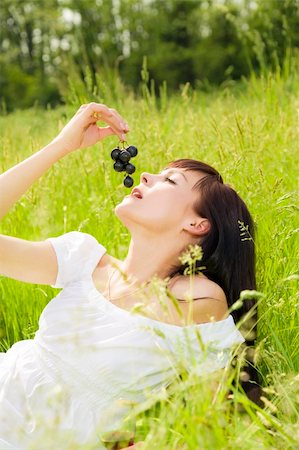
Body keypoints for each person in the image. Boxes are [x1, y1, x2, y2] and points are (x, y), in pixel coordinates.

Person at [0, 103, 259, 450]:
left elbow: (210, 420)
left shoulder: (195, 299)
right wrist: (61, 145)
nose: (146, 176)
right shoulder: (83, 258)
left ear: (196, 225)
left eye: (170, 180)